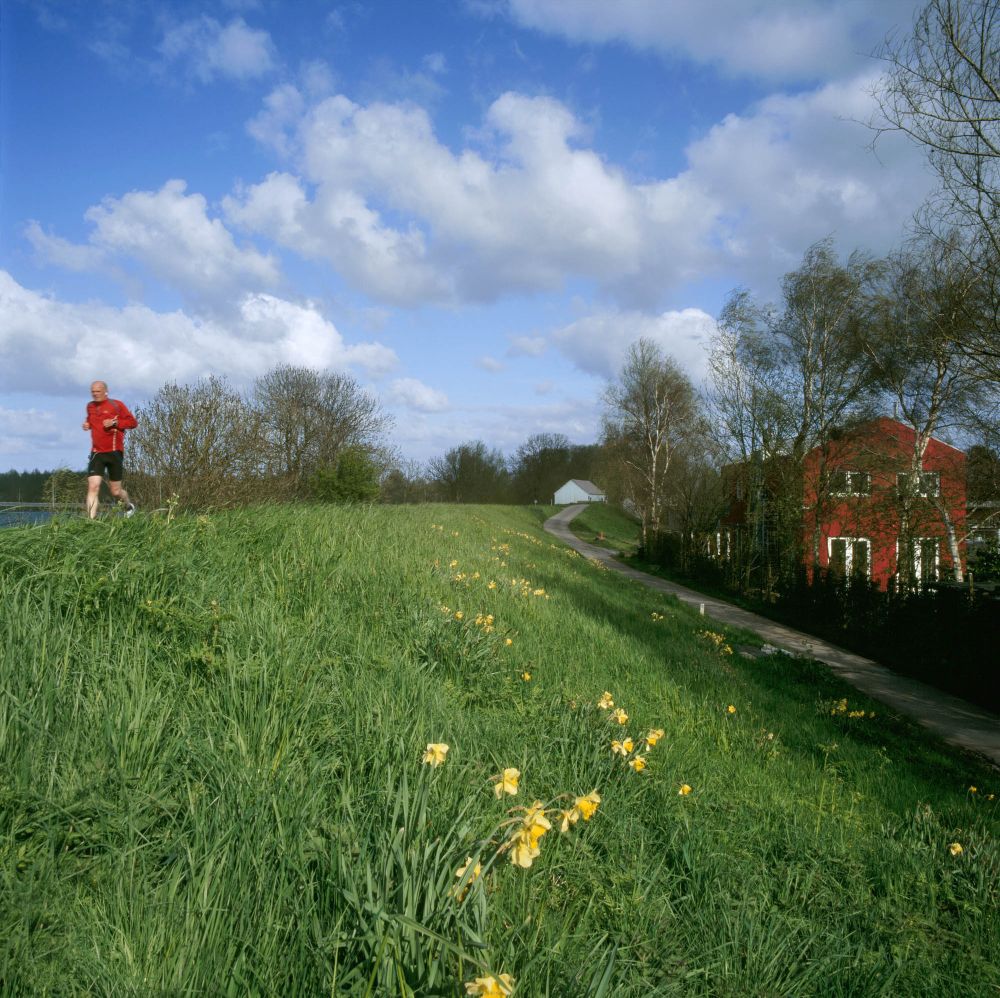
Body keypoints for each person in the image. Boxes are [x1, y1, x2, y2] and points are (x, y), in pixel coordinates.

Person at [82, 380, 138, 519]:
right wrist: (87, 424)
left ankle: (128, 506)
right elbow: (91, 419)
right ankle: (90, 521)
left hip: (114, 452)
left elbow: (133, 423)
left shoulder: (116, 405)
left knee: (115, 491)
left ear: (105, 391)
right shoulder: (90, 406)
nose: (95, 394)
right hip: (97, 452)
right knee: (93, 486)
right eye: (93, 391)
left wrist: (115, 422)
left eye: (98, 391)